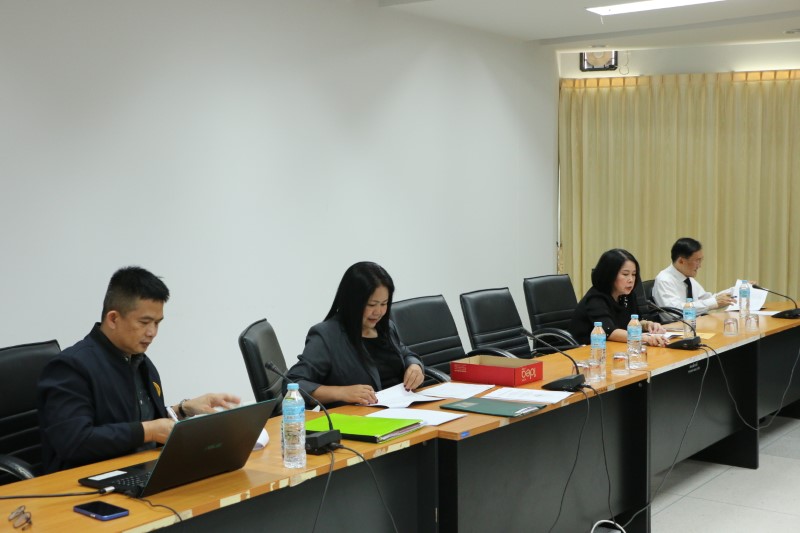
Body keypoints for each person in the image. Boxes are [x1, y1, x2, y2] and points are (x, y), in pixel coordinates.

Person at [37, 266, 240, 473]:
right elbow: (74, 441)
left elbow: (135, 421)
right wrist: (149, 431)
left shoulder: (140, 362)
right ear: (113, 319)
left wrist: (183, 409)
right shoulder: (71, 367)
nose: (152, 332)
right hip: (85, 480)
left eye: (157, 323)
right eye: (144, 322)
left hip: (138, 471)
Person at [286, 261, 425, 407]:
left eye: (384, 304)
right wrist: (341, 392)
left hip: (402, 409)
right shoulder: (326, 336)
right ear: (352, 302)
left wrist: (414, 366)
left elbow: (405, 353)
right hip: (359, 416)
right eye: (371, 305)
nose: (378, 312)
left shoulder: (386, 327)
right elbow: (294, 382)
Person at [569, 249, 667, 346]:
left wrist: (648, 325)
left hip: (615, 347)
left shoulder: (627, 295)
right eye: (625, 274)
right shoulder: (595, 298)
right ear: (610, 275)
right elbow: (609, 332)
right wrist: (644, 338)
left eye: (634, 274)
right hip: (588, 349)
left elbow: (634, 322)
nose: (631, 280)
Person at [652, 237, 735, 315]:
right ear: (681, 261)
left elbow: (706, 299)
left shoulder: (687, 279)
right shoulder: (664, 280)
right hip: (677, 324)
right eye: (697, 260)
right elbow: (676, 311)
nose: (699, 266)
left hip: (695, 322)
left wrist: (735, 290)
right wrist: (713, 302)